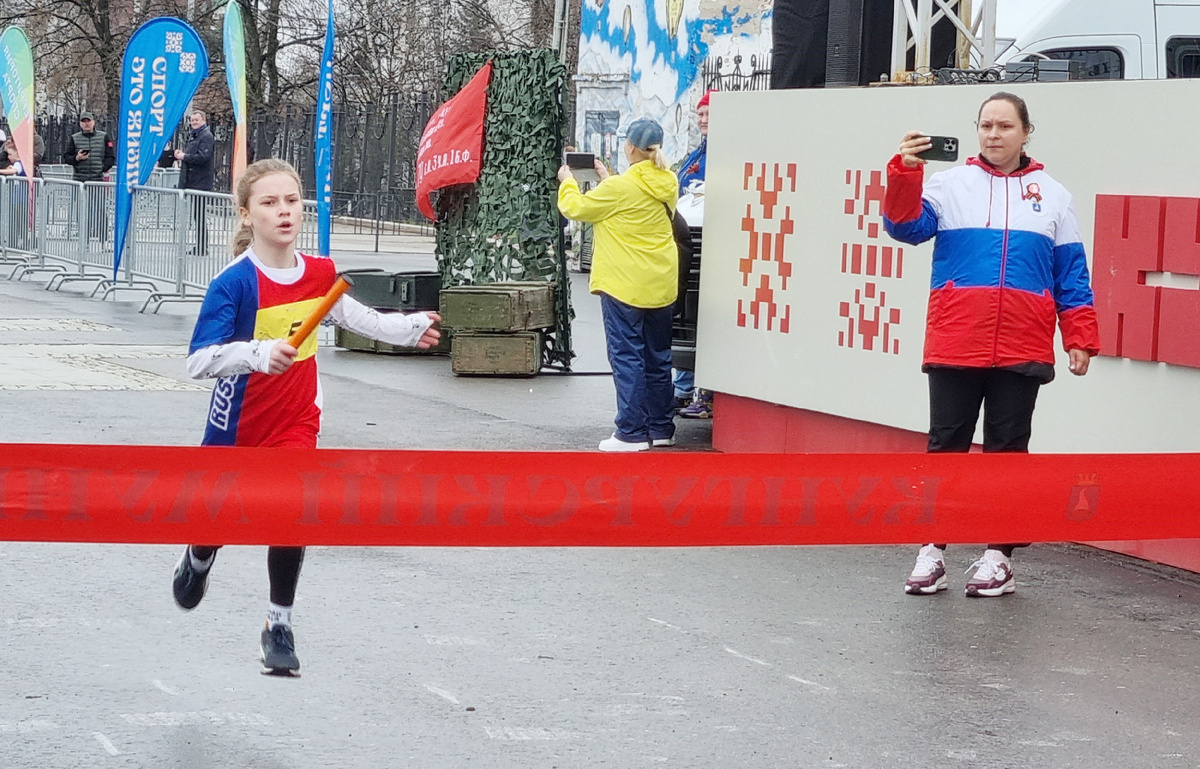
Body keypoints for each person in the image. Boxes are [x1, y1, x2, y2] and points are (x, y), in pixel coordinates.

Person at [171, 158, 442, 674]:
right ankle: (200, 555)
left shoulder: (319, 272)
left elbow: (357, 318)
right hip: (238, 424)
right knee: (220, 514)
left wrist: (408, 328)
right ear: (247, 214)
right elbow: (198, 360)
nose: (284, 212)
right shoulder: (234, 283)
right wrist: (257, 353)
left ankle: (279, 624)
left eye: (291, 201)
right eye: (270, 203)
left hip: (296, 421)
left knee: (293, 510)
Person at [883, 91, 1100, 597]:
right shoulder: (947, 183)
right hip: (957, 338)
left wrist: (1080, 336)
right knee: (946, 447)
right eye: (985, 126)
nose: (993, 135)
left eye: (1004, 126)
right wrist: (904, 172)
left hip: (1023, 344)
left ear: (1026, 132)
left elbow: (1071, 273)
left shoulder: (1054, 195)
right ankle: (931, 550)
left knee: (1008, 451)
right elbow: (904, 228)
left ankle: (998, 556)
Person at [557, 117, 679, 452]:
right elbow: (634, 199)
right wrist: (608, 178)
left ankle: (631, 432)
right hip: (660, 283)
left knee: (627, 357)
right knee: (657, 357)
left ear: (629, 147)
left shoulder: (618, 189)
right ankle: (661, 427)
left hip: (624, 285)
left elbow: (575, 207)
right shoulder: (668, 180)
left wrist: (567, 181)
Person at [673, 90, 714, 419]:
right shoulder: (699, 152)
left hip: (708, 252)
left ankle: (703, 393)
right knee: (689, 323)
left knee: (705, 325)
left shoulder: (725, 152)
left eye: (708, 114)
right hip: (690, 249)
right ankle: (684, 388)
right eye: (700, 114)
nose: (702, 120)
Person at [63, 112, 115, 242]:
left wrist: (102, 168)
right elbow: (67, 157)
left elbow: (111, 157)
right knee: (82, 211)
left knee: (101, 211)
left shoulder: (104, 137)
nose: (86, 124)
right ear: (80, 124)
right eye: (83, 121)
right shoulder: (74, 138)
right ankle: (84, 240)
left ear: (93, 122)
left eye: (88, 121)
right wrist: (76, 158)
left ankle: (103, 239)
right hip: (80, 180)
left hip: (97, 180)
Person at [175, 110, 215, 254]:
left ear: (203, 120)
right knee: (197, 216)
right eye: (192, 120)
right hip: (193, 181)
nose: (193, 123)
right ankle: (200, 245)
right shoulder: (195, 136)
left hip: (200, 183)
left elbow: (204, 157)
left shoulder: (206, 136)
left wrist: (185, 156)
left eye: (196, 120)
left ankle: (202, 247)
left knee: (200, 216)